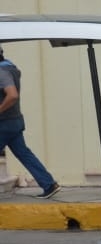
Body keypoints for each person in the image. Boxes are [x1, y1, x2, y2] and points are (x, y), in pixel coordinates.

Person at [0, 46, 61, 199]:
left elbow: (12, 95)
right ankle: (49, 184)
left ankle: (49, 183)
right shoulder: (10, 67)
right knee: (24, 154)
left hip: (4, 124)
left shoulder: (2, 72)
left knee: (24, 154)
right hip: (15, 121)